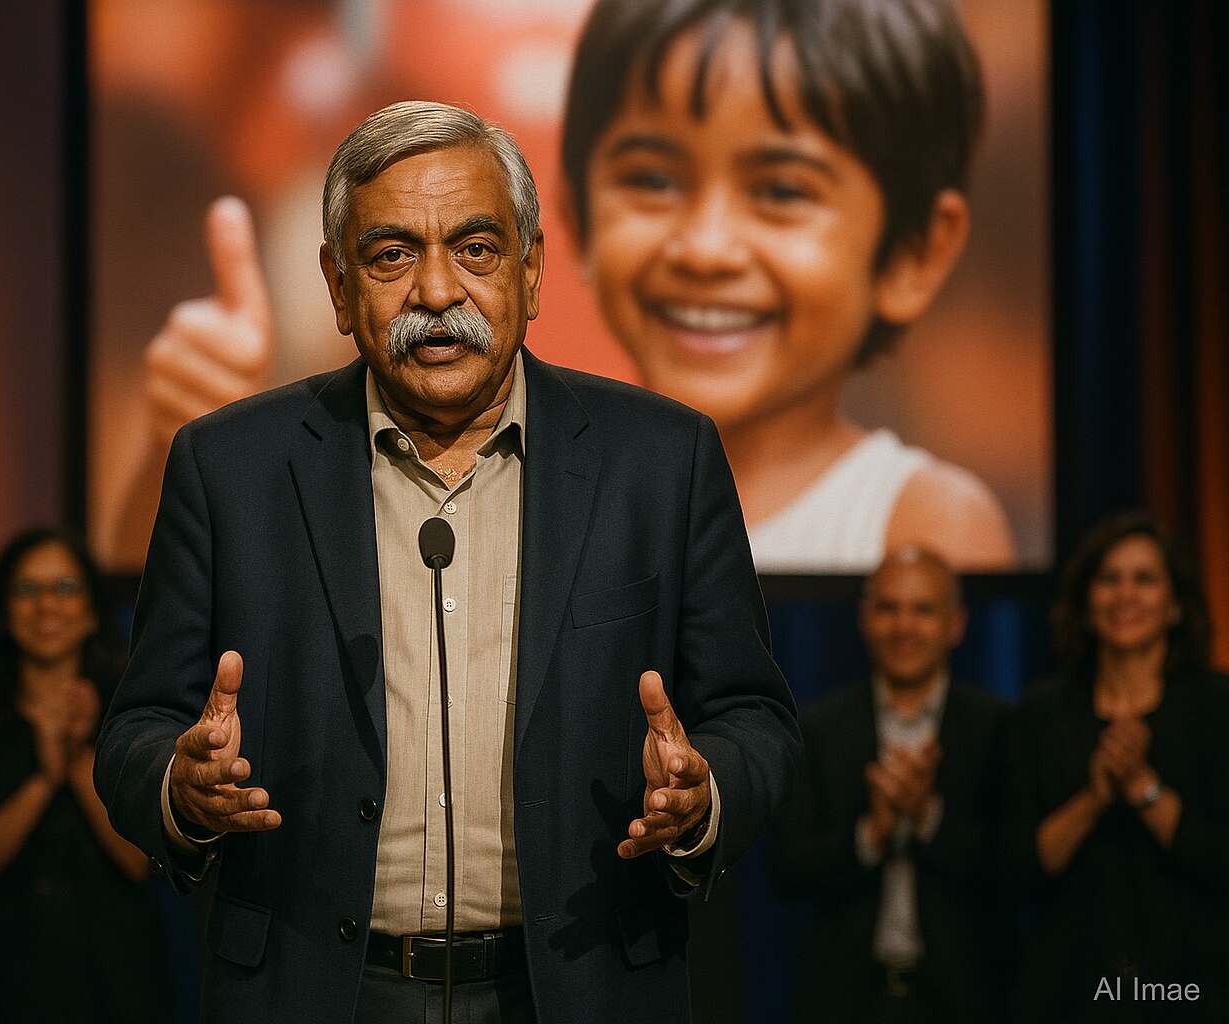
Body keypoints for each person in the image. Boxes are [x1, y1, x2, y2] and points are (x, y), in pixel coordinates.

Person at [95, 101, 800, 1023]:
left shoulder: (660, 462)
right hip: (320, 994)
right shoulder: (230, 468)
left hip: (573, 988)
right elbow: (138, 727)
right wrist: (180, 788)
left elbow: (753, 716)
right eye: (391, 255)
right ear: (339, 289)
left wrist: (702, 796)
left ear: (533, 270)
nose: (436, 291)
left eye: (476, 249)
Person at [133, 0, 1016, 574]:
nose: (705, 247)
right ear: (574, 221)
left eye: (781, 192)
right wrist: (190, 452)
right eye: (653, 179)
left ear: (912, 254)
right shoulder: (492, 484)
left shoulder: (923, 522)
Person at [769, 548, 1009, 1022]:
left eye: (923, 609)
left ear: (956, 624)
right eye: (888, 608)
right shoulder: (819, 729)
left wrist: (927, 818)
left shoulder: (997, 727)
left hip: (968, 1001)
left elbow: (1016, 868)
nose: (904, 626)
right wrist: (871, 835)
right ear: (864, 619)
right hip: (844, 1002)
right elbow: (785, 869)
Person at [1004, 514, 1228, 1021]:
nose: (1125, 594)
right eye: (1109, 578)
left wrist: (1144, 788)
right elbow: (1013, 868)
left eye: (1144, 578)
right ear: (1085, 603)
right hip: (1068, 993)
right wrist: (1096, 797)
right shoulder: (1040, 713)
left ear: (1174, 605)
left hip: (1192, 992)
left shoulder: (1217, 709)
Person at [0, 528, 164, 1022]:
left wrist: (76, 760)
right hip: (0, 982)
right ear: (5, 610)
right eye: (27, 590)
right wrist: (43, 778)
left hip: (116, 983)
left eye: (65, 588)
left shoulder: (133, 717)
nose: (46, 606)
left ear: (92, 610)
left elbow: (141, 863)